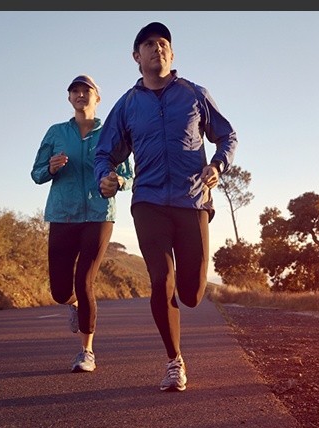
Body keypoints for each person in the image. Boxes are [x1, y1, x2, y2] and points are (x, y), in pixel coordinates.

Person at [94, 22, 237, 392]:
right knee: (161, 279)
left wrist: (217, 164)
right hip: (149, 202)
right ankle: (174, 361)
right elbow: (105, 152)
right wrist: (104, 176)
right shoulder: (127, 104)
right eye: (148, 44)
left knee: (190, 294)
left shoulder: (194, 94)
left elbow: (227, 135)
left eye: (163, 44)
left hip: (192, 201)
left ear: (171, 54)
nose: (156, 49)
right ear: (136, 57)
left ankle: (181, 300)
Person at [31, 74, 133, 373]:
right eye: (74, 91)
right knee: (60, 291)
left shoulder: (111, 132)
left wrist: (118, 182)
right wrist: (49, 168)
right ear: (69, 98)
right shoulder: (56, 133)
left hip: (99, 215)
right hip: (62, 213)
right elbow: (36, 173)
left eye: (85, 90)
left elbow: (128, 173)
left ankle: (86, 352)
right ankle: (73, 305)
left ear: (97, 97)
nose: (80, 95)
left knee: (84, 279)